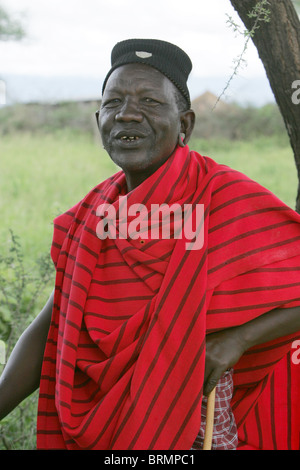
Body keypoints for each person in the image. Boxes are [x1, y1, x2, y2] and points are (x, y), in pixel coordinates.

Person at [1, 38, 300, 450]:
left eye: (150, 102)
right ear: (98, 118)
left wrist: (237, 340)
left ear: (185, 125)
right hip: (106, 431)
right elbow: (56, 321)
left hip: (192, 428)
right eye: (114, 102)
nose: (127, 113)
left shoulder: (221, 196)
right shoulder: (94, 215)